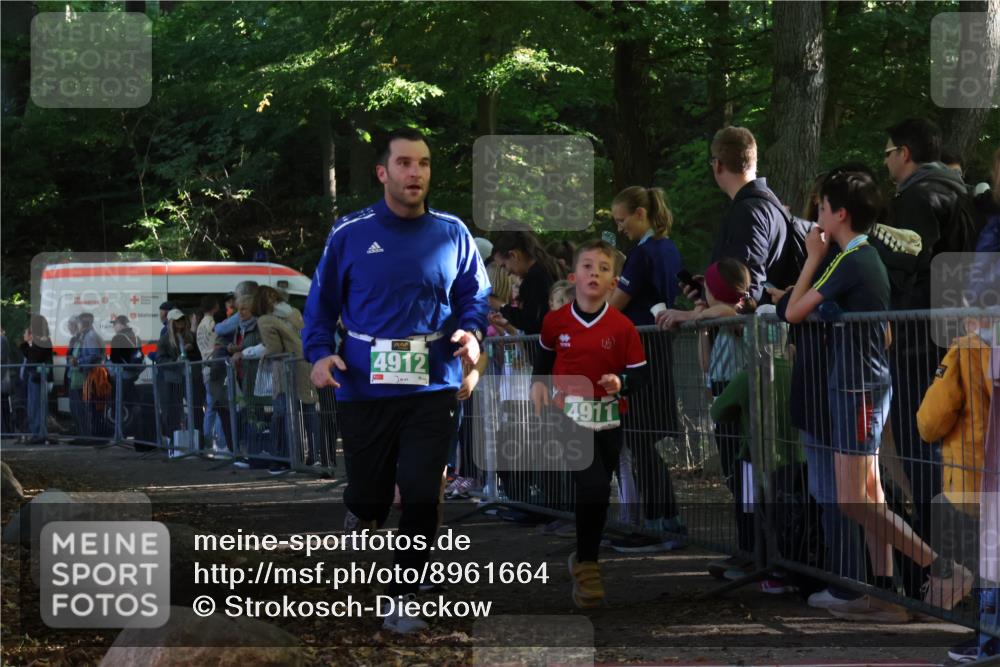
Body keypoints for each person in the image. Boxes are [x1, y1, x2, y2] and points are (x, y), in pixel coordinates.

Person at [302, 127, 490, 634]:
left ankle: (408, 590)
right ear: (384, 172)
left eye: (424, 164)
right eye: (405, 163)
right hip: (364, 385)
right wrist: (320, 357)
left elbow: (476, 296)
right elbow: (320, 307)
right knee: (370, 493)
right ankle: (361, 509)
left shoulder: (453, 233)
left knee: (423, 486)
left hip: (433, 383)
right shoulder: (350, 233)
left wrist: (471, 332)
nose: (416, 173)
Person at [776, 171, 970, 620]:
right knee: (870, 497)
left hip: (858, 389)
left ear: (839, 214)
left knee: (852, 500)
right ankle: (884, 594)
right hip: (860, 384)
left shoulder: (853, 258)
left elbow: (793, 311)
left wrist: (812, 257)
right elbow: (882, 334)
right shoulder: (862, 260)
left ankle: (944, 570)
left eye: (822, 208)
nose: (817, 217)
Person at [530, 239, 648, 608]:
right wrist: (537, 384)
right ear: (573, 276)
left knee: (597, 490)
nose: (594, 273)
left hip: (610, 417)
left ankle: (584, 558)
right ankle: (590, 566)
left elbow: (640, 375)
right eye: (587, 266)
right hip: (567, 414)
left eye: (603, 268)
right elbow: (543, 360)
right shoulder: (555, 321)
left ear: (614, 282)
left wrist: (621, 382)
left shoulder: (623, 326)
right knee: (594, 484)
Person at [883, 118, 973, 598]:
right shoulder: (961, 194)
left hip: (922, 342)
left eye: (886, 153)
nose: (886, 163)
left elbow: (910, 265)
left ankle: (944, 576)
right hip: (954, 339)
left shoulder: (917, 198)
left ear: (904, 153)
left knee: (923, 451)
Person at [660, 258, 757, 572]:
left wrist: (693, 313)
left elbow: (727, 310)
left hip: (739, 408)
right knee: (733, 478)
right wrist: (702, 322)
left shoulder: (741, 316)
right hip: (721, 404)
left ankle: (753, 551)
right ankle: (745, 548)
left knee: (745, 480)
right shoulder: (716, 320)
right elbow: (705, 364)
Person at [606, 185, 686, 551]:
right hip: (657, 350)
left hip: (641, 355)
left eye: (623, 221)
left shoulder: (642, 254)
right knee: (643, 441)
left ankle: (659, 524)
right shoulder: (667, 248)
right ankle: (665, 519)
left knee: (638, 438)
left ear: (641, 214)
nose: (621, 228)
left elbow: (616, 305)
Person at [707, 126, 796, 302]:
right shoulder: (771, 204)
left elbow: (747, 287)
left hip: (752, 327)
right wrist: (710, 288)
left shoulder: (748, 212)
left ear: (718, 165)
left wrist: (701, 314)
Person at [255, 286, 319, 473]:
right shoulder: (295, 313)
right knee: (309, 409)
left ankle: (282, 458)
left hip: (284, 371)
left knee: (281, 414)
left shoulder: (266, 320)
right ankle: (315, 455)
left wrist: (256, 353)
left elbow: (274, 349)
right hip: (305, 365)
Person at [490, 230, 561, 335]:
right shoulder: (548, 268)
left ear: (513, 255)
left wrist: (500, 305)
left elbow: (530, 321)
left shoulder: (534, 278)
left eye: (504, 266)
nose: (508, 273)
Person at [156, 308, 199, 440]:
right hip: (170, 380)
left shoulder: (189, 336)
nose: (180, 322)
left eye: (181, 319)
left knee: (193, 408)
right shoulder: (164, 339)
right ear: (171, 322)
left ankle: (193, 439)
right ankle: (171, 440)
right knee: (171, 410)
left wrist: (190, 351)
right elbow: (160, 359)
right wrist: (175, 361)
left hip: (187, 378)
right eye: (177, 320)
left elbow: (198, 356)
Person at [196, 295, 226, 450]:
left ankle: (207, 441)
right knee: (221, 406)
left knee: (210, 408)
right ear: (215, 306)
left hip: (205, 368)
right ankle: (222, 442)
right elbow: (217, 345)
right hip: (214, 366)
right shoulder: (212, 324)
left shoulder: (200, 325)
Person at [18, 315, 53, 444]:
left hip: (39, 378)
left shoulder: (44, 341)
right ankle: (35, 432)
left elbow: (34, 356)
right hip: (33, 377)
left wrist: (26, 346)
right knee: (33, 406)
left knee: (38, 406)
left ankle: (39, 433)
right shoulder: (40, 341)